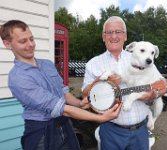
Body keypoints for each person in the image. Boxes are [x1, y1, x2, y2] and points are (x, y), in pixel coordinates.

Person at [0, 20, 122, 150]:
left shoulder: (47, 64)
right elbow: (63, 109)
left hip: (65, 126)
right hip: (41, 131)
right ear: (8, 44)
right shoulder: (18, 77)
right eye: (23, 41)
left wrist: (79, 103)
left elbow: (64, 93)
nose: (30, 44)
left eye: (31, 39)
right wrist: (100, 118)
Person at [82, 16, 167, 150]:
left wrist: (154, 94)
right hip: (110, 130)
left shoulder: (141, 57)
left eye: (118, 32)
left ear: (125, 36)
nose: (114, 36)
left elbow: (164, 84)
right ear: (103, 36)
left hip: (140, 131)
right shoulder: (93, 64)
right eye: (109, 32)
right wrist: (101, 81)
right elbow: (85, 94)